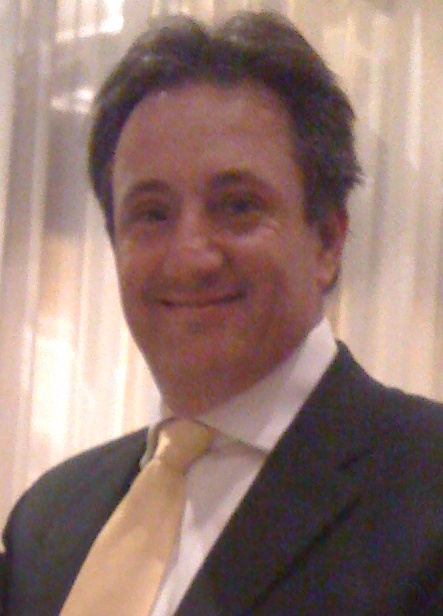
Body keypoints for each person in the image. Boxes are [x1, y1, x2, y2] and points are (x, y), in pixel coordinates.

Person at [1, 10, 443, 616]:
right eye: (152, 214)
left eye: (237, 206)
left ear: (327, 239)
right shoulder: (46, 522)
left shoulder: (427, 492)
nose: (190, 257)